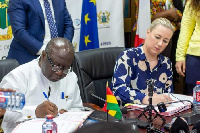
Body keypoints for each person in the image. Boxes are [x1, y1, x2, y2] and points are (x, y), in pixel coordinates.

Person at [0, 37, 83, 133]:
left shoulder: (70, 76)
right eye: (56, 66)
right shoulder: (19, 77)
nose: (60, 73)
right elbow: (4, 112)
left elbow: (78, 108)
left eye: (65, 69)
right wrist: (34, 111)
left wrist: (69, 114)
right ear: (43, 56)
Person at [113, 18, 174, 105]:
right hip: (128, 115)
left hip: (159, 114)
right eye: (157, 37)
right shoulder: (128, 56)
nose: (160, 43)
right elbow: (118, 90)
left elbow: (169, 95)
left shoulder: (166, 63)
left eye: (165, 41)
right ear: (148, 32)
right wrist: (147, 99)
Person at [7, 0, 74, 65]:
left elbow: (68, 25)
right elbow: (19, 31)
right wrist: (46, 51)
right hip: (27, 57)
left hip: (58, 59)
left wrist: (62, 48)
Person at [176, 0, 200, 95]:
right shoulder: (193, 2)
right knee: (195, 96)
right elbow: (186, 29)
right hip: (195, 55)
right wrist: (180, 56)